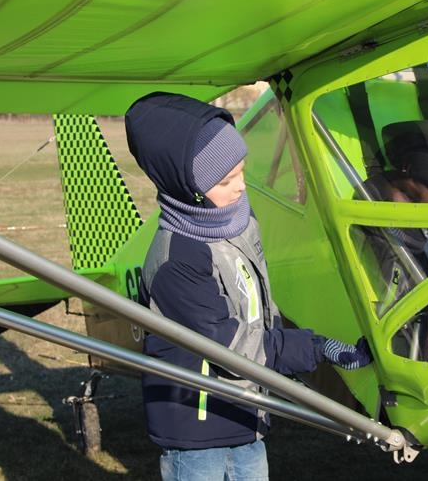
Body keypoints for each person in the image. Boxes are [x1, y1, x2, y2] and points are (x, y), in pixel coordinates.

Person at [124, 92, 372, 481]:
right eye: (225, 180)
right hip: (198, 427)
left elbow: (260, 306)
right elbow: (231, 346)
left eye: (241, 171)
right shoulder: (180, 258)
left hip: (246, 412)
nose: (240, 186)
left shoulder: (235, 218)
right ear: (189, 188)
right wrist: (316, 348)